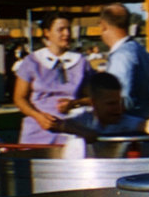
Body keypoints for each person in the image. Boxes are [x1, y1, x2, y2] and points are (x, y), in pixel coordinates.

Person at [13, 12, 93, 144]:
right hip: (37, 132)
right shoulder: (32, 62)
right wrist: (39, 117)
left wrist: (74, 103)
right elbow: (19, 98)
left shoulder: (81, 62)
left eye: (68, 29)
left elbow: (94, 98)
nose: (66, 34)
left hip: (72, 132)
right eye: (61, 29)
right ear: (47, 32)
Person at [52, 72, 149, 142]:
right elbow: (60, 124)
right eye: (111, 104)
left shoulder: (121, 120)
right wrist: (81, 131)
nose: (118, 109)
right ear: (94, 103)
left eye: (119, 103)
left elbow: (145, 125)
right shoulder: (82, 119)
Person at [99, 3, 149, 119]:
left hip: (123, 128)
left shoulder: (121, 56)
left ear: (103, 26)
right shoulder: (140, 50)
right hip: (141, 122)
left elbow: (120, 101)